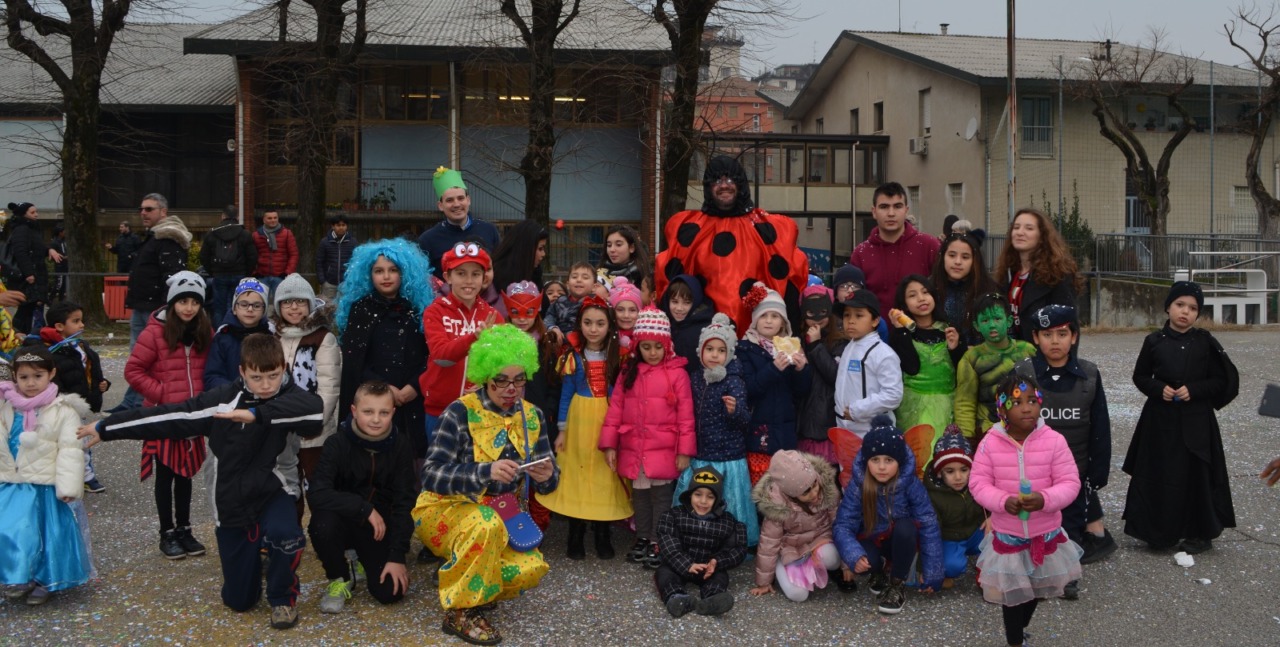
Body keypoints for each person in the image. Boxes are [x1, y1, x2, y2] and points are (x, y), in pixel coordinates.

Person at [81, 334, 325, 630]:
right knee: (240, 601)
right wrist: (107, 427)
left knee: (287, 535)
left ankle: (282, 597)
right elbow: (168, 416)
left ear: (283, 368)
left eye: (273, 376)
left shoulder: (292, 396)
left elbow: (315, 413)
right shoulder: (222, 401)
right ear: (242, 372)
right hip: (230, 498)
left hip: (275, 490)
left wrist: (256, 415)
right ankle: (250, 568)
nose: (266, 385)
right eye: (257, 377)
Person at [413, 325, 558, 645]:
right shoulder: (460, 412)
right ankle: (460, 612)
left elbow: (550, 482)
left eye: (519, 379)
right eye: (501, 379)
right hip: (443, 507)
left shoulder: (532, 416)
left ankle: (471, 577)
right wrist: (484, 472)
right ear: (484, 376)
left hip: (500, 512)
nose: (511, 388)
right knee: (484, 523)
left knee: (531, 569)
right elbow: (431, 474)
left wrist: (547, 477)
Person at [1122, 281, 1238, 554]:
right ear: (1168, 307)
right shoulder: (1153, 341)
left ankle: (1199, 531)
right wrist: (1158, 389)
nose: (1185, 312)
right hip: (1159, 422)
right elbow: (1140, 376)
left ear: (1198, 313)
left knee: (1195, 475)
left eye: (1193, 308)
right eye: (1180, 305)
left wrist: (1194, 390)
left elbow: (1221, 380)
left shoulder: (1205, 342)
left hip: (1197, 422)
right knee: (1159, 473)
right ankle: (1156, 532)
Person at [970, 374, 1083, 647]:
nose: (1027, 408)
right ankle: (1015, 641)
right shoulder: (990, 442)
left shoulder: (1054, 441)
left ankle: (1020, 629)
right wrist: (1001, 501)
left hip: (1044, 533)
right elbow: (978, 483)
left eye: (1032, 401)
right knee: (1012, 594)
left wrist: (1045, 499)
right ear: (1003, 409)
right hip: (1008, 536)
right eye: (1018, 402)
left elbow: (1070, 483)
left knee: (1038, 590)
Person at [1014, 304, 1116, 583]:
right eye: (1047, 335)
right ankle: (1035, 570)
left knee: (1067, 528)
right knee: (1032, 525)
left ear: (1074, 336)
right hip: (1033, 472)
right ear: (1035, 337)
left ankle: (1066, 577)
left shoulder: (1090, 374)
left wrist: (1098, 471)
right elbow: (1009, 422)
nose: (1055, 341)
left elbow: (1100, 426)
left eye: (1062, 333)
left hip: (1073, 474)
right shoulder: (1023, 372)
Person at [655, 155, 810, 335]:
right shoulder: (691, 230)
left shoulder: (765, 229)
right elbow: (671, 284)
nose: (724, 185)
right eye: (716, 181)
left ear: (740, 183)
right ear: (708, 186)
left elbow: (789, 279)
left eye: (730, 179)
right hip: (706, 344)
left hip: (756, 342)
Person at [123, 271, 213, 560]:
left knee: (186, 474)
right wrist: (161, 393)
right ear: (172, 302)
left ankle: (185, 528)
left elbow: (209, 368)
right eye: (183, 301)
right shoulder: (154, 332)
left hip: (192, 416)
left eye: (195, 302)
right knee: (166, 475)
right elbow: (133, 371)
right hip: (163, 415)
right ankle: (167, 532)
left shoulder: (204, 331)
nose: (189, 308)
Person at [599, 307, 695, 568]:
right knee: (639, 496)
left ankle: (658, 539)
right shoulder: (628, 373)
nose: (652, 353)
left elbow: (686, 416)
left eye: (658, 347)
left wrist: (684, 451)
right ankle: (642, 537)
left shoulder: (678, 374)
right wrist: (610, 445)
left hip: (664, 448)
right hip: (634, 447)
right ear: (637, 346)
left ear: (667, 345)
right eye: (646, 347)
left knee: (661, 497)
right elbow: (615, 409)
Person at [307, 381, 414, 613]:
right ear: (354, 411)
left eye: (383, 412)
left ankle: (362, 559)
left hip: (378, 528)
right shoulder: (337, 443)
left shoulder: (401, 446)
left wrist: (397, 556)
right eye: (368, 411)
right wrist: (363, 508)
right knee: (321, 524)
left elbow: (405, 503)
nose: (376, 419)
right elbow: (317, 493)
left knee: (390, 593)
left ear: (393, 413)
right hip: (342, 519)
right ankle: (340, 577)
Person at [539, 296, 630, 559]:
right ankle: (575, 533)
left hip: (607, 418)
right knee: (577, 474)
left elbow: (621, 396)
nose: (593, 329)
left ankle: (603, 533)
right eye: (587, 322)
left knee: (604, 475)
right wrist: (563, 430)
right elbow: (566, 394)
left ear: (609, 326)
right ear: (580, 324)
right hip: (579, 421)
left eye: (600, 323)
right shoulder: (573, 356)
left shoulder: (618, 357)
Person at [0, 345, 92, 605]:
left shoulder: (62, 410)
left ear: (51, 374)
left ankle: (45, 579)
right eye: (24, 377)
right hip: (12, 483)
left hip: (45, 486)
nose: (30, 383)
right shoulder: (7, 407)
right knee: (13, 532)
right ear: (14, 378)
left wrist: (69, 487)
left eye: (37, 376)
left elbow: (70, 451)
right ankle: (20, 575)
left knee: (45, 535)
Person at [832, 414, 943, 615]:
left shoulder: (910, 483)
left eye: (889, 460)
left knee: (906, 528)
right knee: (867, 560)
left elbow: (928, 522)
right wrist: (853, 554)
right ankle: (878, 571)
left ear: (899, 462)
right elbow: (843, 524)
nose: (881, 467)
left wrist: (932, 572)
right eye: (875, 460)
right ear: (867, 461)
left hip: (899, 542)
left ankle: (896, 584)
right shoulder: (859, 484)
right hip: (871, 538)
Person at [335, 239, 433, 461]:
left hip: (412, 401)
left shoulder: (419, 308)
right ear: (368, 274)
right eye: (379, 271)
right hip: (373, 400)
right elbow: (354, 360)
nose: (386, 276)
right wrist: (384, 387)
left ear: (405, 272)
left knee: (409, 460)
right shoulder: (361, 309)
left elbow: (432, 355)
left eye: (393, 270)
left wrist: (415, 385)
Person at [673, 313, 758, 548]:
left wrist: (734, 411)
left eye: (721, 351)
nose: (714, 355)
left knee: (726, 500)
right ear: (701, 351)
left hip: (727, 456)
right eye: (710, 349)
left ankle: (730, 543)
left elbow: (743, 421)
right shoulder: (695, 377)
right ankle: (694, 538)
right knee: (699, 498)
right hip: (700, 453)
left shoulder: (734, 380)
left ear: (729, 354)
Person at [419, 242, 504, 447]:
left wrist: (485, 385)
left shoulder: (493, 316)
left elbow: (502, 364)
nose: (469, 281)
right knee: (442, 472)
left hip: (482, 409)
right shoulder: (435, 311)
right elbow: (441, 356)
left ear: (484, 279)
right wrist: (474, 337)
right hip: (440, 410)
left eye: (475, 274)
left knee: (478, 473)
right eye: (461, 273)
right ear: (448, 277)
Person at [271, 274, 341, 523]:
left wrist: (316, 421)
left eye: (300, 301)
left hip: (315, 431)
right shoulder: (272, 338)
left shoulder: (323, 338)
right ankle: (290, 532)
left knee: (317, 483)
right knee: (286, 484)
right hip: (282, 429)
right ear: (278, 306)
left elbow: (330, 386)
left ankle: (324, 531)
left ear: (310, 305)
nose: (293, 307)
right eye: (287, 302)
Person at [116, 193, 192, 412]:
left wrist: (165, 310)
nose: (143, 213)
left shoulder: (168, 238)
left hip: (154, 309)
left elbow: (172, 277)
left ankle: (139, 403)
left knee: (146, 358)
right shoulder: (154, 237)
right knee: (138, 359)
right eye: (141, 209)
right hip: (142, 306)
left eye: (149, 209)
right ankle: (132, 402)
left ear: (163, 212)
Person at [749, 450, 853, 601]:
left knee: (833, 559)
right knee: (798, 596)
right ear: (791, 493)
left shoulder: (827, 489)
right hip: (790, 548)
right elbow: (768, 545)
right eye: (806, 492)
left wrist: (846, 564)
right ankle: (780, 566)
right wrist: (764, 582)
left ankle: (816, 567)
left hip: (820, 539)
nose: (814, 493)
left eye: (814, 484)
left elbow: (840, 526)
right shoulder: (777, 506)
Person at [737, 282, 811, 481]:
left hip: (785, 432)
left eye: (775, 316)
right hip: (757, 433)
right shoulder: (744, 348)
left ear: (783, 322)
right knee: (761, 488)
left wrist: (801, 369)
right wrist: (773, 369)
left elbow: (801, 391)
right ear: (755, 320)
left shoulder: (791, 346)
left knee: (785, 488)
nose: (769, 321)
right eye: (763, 315)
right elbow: (747, 388)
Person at [887, 275, 962, 463]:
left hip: (949, 404)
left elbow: (961, 369)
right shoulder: (901, 335)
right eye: (912, 295)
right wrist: (900, 331)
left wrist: (955, 348)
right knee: (920, 458)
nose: (921, 298)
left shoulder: (948, 330)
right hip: (915, 407)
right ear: (903, 304)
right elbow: (911, 368)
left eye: (925, 292)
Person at [654, 466, 747, 618]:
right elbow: (668, 543)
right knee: (664, 573)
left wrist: (717, 562)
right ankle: (676, 597)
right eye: (698, 494)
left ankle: (712, 599)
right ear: (690, 495)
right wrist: (687, 564)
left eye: (710, 497)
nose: (703, 501)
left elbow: (738, 549)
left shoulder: (728, 521)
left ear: (717, 499)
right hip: (678, 565)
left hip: (707, 568)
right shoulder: (673, 516)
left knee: (720, 577)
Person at [39, 301, 109, 493]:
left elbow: (91, 370)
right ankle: (61, 475)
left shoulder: (81, 345)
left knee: (81, 441)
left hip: (81, 404)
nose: (82, 325)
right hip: (60, 404)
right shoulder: (50, 350)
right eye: (76, 321)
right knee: (59, 442)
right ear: (59, 326)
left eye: (82, 320)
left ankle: (85, 475)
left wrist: (102, 384)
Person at [848, 182, 941, 316]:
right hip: (876, 334)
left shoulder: (929, 245)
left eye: (897, 206)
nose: (891, 213)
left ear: (906, 210)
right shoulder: (861, 253)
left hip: (920, 334)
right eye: (884, 207)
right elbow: (856, 301)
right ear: (874, 212)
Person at [953, 293, 1035, 441]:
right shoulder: (972, 358)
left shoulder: (1027, 351)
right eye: (985, 320)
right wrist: (967, 438)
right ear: (976, 326)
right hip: (988, 431)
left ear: (1009, 321)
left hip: (1025, 430)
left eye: (997, 318)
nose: (992, 325)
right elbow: (965, 402)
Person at [995, 207, 1082, 341]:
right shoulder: (1007, 275)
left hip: (1041, 358)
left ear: (1042, 236)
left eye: (1029, 228)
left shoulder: (1058, 275)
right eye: (1016, 227)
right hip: (1012, 357)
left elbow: (1068, 327)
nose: (1020, 232)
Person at [832, 290, 902, 438]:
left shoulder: (883, 353)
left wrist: (857, 410)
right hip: (845, 429)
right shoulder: (849, 346)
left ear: (875, 320)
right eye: (846, 315)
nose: (851, 320)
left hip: (872, 431)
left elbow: (893, 395)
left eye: (859, 315)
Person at [924, 425, 986, 588]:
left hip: (975, 532)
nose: (958, 477)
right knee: (952, 567)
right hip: (949, 538)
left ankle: (987, 571)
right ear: (939, 472)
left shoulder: (977, 483)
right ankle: (952, 564)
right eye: (950, 471)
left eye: (964, 470)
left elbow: (993, 499)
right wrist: (929, 571)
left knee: (1000, 538)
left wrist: (993, 518)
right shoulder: (933, 495)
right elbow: (930, 533)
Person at [418, 166, 501, 279]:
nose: (456, 204)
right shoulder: (427, 240)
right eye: (449, 200)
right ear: (440, 206)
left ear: (468, 200)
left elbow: (499, 268)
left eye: (461, 198)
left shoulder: (489, 230)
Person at [796, 285, 846, 464]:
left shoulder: (841, 341)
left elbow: (835, 376)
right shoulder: (796, 341)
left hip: (827, 420)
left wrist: (816, 345)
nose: (817, 318)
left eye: (823, 311)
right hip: (803, 421)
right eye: (810, 312)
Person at [931, 232, 998, 346]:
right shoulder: (929, 289)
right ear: (943, 256)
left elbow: (1003, 332)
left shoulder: (989, 290)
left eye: (965, 257)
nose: (958, 262)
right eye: (952, 255)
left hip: (980, 359)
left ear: (974, 260)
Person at [204, 278, 272, 389]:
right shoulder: (222, 338)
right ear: (235, 308)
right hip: (230, 400)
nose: (250, 309)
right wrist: (236, 390)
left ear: (264, 310)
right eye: (244, 304)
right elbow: (212, 376)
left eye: (257, 305)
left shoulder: (271, 337)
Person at [6, 202, 62, 332]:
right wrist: (29, 273)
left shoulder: (32, 229)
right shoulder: (22, 230)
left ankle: (29, 335)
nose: (36, 214)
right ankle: (19, 334)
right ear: (23, 214)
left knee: (33, 306)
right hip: (30, 276)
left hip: (36, 273)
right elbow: (21, 252)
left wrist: (49, 250)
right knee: (27, 306)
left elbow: (37, 248)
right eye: (32, 212)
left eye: (36, 211)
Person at [200, 205, 258, 321]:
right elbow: (252, 256)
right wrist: (246, 273)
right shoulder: (244, 234)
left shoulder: (212, 234)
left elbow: (204, 256)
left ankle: (219, 332)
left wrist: (213, 272)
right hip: (239, 274)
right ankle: (233, 330)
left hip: (219, 274)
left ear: (223, 216)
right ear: (237, 217)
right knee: (236, 305)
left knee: (218, 307)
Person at [659, 274, 715, 374]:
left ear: (696, 302)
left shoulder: (704, 330)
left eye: (686, 302)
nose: (679, 308)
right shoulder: (661, 323)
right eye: (675, 302)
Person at [491, 219, 548, 294]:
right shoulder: (496, 277)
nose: (543, 254)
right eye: (540, 249)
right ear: (526, 249)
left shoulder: (535, 273)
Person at [543, 261, 594, 344]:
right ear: (567, 284)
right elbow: (549, 316)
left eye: (585, 278)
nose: (579, 280)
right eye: (574, 277)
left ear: (594, 286)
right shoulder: (560, 301)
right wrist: (552, 328)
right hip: (558, 345)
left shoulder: (596, 305)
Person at [253, 211, 299, 296]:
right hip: (262, 277)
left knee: (280, 305)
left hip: (281, 277)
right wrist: (255, 272)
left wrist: (287, 273)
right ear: (264, 220)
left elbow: (294, 254)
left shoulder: (287, 233)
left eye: (275, 218)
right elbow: (252, 256)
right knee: (260, 304)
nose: (273, 220)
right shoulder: (256, 235)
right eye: (269, 218)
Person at [315, 213, 357, 302]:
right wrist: (322, 281)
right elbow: (319, 262)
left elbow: (356, 262)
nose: (341, 227)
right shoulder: (325, 242)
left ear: (347, 226)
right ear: (333, 226)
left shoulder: (352, 242)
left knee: (345, 308)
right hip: (329, 284)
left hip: (346, 283)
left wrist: (352, 280)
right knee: (328, 309)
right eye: (338, 225)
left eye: (343, 225)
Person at [598, 225, 649, 291]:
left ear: (631, 248)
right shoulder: (599, 273)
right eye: (609, 245)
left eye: (618, 244)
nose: (612, 250)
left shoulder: (642, 275)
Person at [609, 276, 643, 353]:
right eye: (620, 310)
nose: (626, 315)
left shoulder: (646, 336)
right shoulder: (606, 336)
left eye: (632, 310)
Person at [49, 223, 66, 302]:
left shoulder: (63, 241)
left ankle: (61, 301)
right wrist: (63, 257)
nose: (65, 232)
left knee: (63, 285)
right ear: (60, 232)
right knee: (58, 284)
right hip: (59, 266)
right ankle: (50, 300)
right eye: (63, 231)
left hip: (65, 266)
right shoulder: (54, 242)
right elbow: (52, 255)